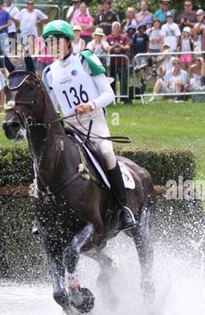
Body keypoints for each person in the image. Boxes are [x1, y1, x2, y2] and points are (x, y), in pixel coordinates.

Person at [41, 19, 135, 232]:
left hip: (94, 121)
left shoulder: (86, 60)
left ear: (68, 42)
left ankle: (123, 208)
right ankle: (44, 214)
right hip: (71, 127)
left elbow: (109, 94)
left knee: (106, 151)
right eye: (49, 43)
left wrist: (90, 105)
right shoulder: (49, 73)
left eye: (57, 41)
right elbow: (53, 108)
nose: (53, 46)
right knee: (47, 160)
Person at [106, 22, 130, 103]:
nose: (115, 29)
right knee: (112, 81)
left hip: (122, 63)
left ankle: (124, 98)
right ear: (112, 29)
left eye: (117, 27)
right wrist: (113, 46)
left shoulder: (124, 37)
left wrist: (121, 46)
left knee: (124, 81)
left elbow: (127, 47)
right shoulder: (108, 38)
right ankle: (113, 98)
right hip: (112, 63)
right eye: (114, 27)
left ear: (120, 28)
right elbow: (106, 48)